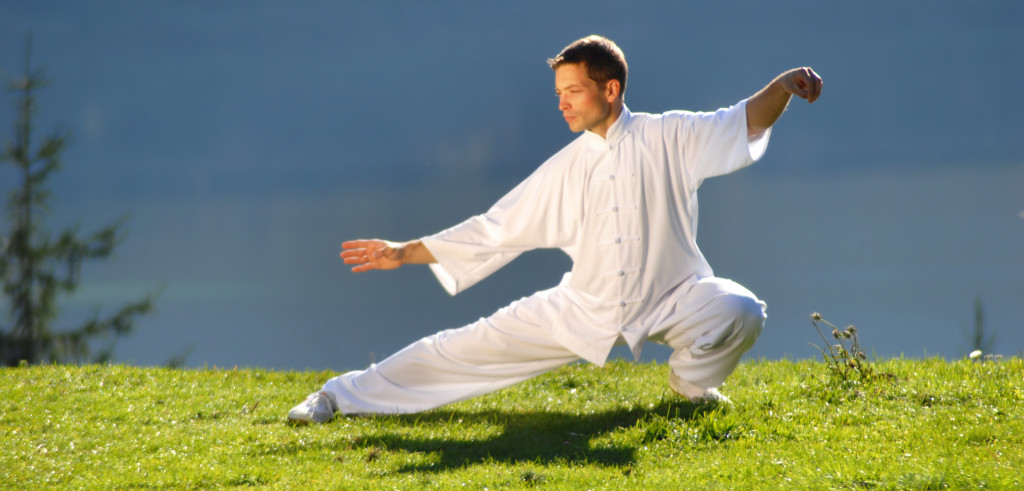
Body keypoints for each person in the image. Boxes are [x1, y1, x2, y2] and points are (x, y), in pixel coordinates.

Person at [288, 35, 822, 423]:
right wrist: (404, 252)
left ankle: (691, 388)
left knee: (740, 310)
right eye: (558, 91)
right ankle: (337, 396)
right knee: (458, 349)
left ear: (610, 89)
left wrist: (782, 86)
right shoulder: (566, 166)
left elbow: (743, 119)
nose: (562, 101)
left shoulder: (670, 135)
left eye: (573, 89)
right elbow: (494, 229)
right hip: (582, 307)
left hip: (673, 295)